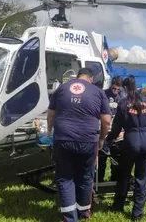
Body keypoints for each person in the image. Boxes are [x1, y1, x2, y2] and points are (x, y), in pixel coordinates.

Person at [47, 67, 112, 222]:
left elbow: (51, 114)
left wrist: (49, 132)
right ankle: (83, 212)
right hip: (88, 140)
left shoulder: (62, 88)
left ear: (77, 77)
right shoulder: (98, 92)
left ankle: (70, 218)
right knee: (85, 176)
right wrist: (102, 139)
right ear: (90, 79)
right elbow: (106, 120)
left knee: (65, 177)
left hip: (63, 138)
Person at [107, 75, 146, 220]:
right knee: (142, 178)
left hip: (131, 140)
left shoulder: (123, 103)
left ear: (126, 88)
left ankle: (118, 205)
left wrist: (107, 140)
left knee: (124, 175)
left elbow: (116, 128)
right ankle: (137, 213)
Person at [98, 75, 123, 182]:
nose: (116, 91)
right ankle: (99, 179)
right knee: (102, 156)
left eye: (118, 89)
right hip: (104, 128)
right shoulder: (103, 94)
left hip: (116, 130)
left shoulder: (122, 97)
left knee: (116, 156)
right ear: (111, 85)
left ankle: (115, 178)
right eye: (114, 88)